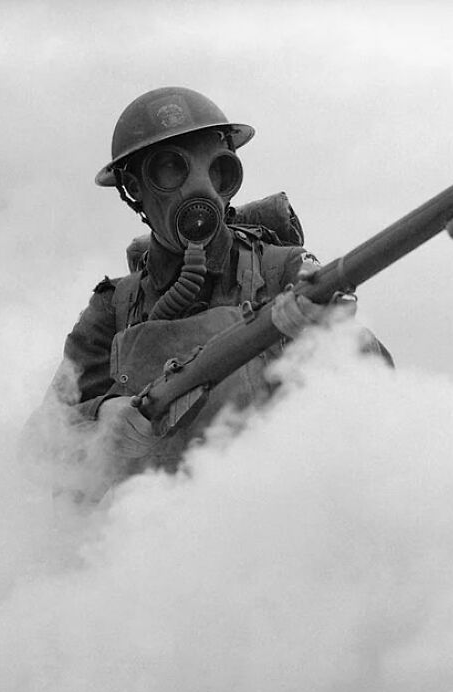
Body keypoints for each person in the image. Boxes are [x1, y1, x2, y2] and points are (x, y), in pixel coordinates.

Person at [31, 87, 390, 494]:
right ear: (134, 189)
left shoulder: (284, 270)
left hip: (274, 517)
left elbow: (376, 386)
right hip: (145, 539)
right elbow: (41, 442)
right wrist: (103, 416)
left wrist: (334, 340)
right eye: (171, 169)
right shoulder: (114, 307)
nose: (198, 188)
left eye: (216, 169)